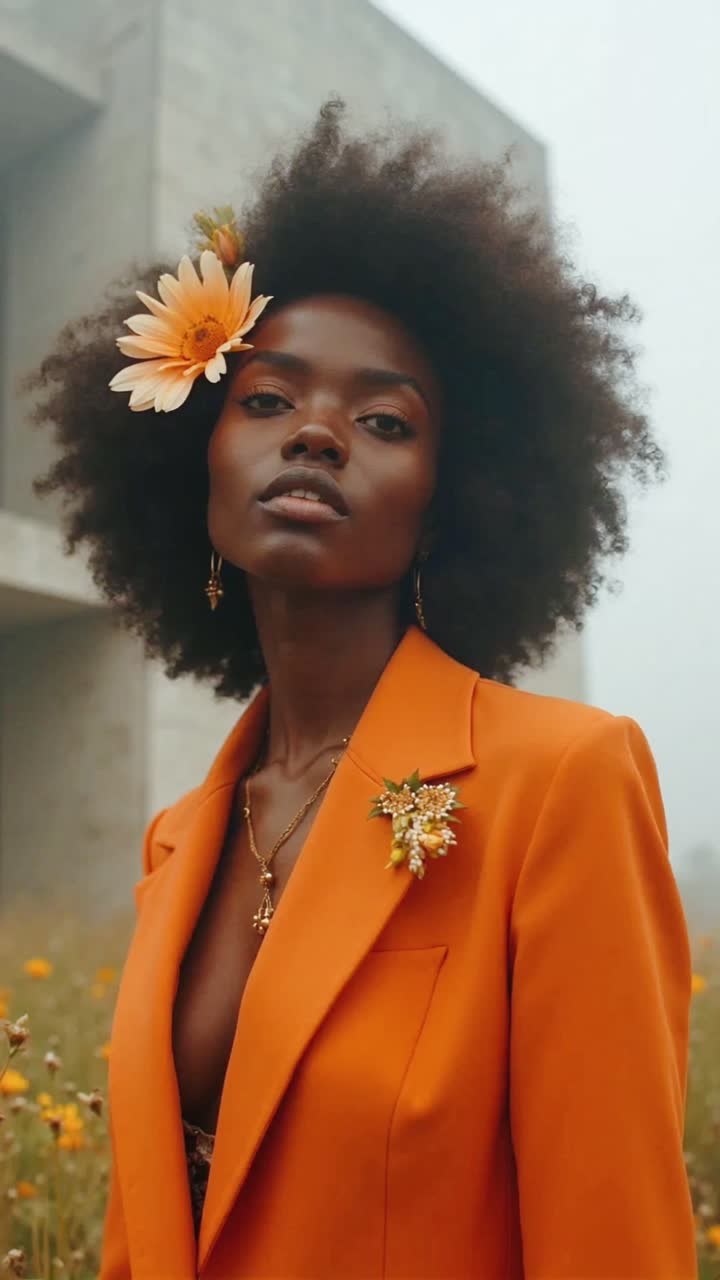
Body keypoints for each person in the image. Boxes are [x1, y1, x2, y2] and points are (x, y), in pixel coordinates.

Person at [27, 99, 696, 1279]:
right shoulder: (177, 841)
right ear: (201, 465)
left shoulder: (562, 784)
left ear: (453, 497)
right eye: (268, 399)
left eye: (382, 418)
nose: (319, 434)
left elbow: (614, 1245)